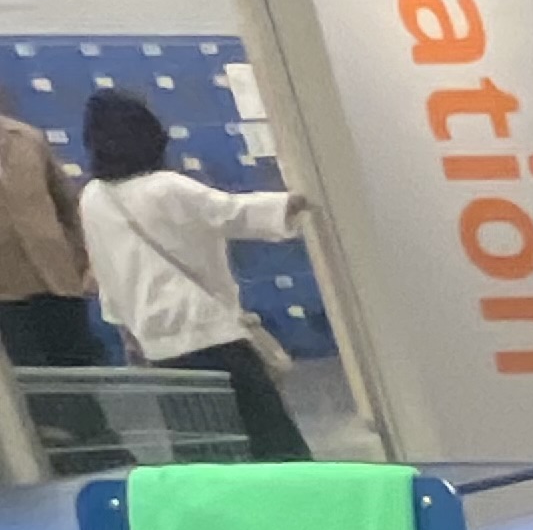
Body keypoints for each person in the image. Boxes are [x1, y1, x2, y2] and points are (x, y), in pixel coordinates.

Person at [73, 90, 308, 461]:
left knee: (200, 444)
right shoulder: (167, 186)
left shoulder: (93, 197)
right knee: (270, 437)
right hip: (209, 331)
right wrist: (293, 203)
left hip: (157, 343)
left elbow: (106, 268)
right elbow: (230, 212)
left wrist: (127, 330)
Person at [0, 109, 101, 373]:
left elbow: (67, 206)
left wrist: (83, 260)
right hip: (7, 296)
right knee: (29, 385)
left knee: (80, 377)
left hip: (59, 283)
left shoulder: (26, 138)